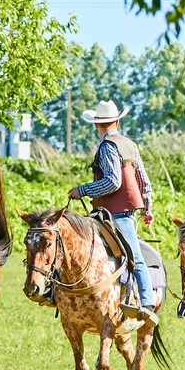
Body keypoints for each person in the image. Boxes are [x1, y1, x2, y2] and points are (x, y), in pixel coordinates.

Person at [67, 100, 158, 324]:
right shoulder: (130, 144)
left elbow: (113, 182)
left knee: (134, 256)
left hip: (113, 213)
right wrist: (146, 209)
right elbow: (143, 181)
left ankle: (146, 302)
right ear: (117, 121)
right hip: (126, 211)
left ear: (97, 125)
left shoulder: (107, 146)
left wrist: (82, 189)